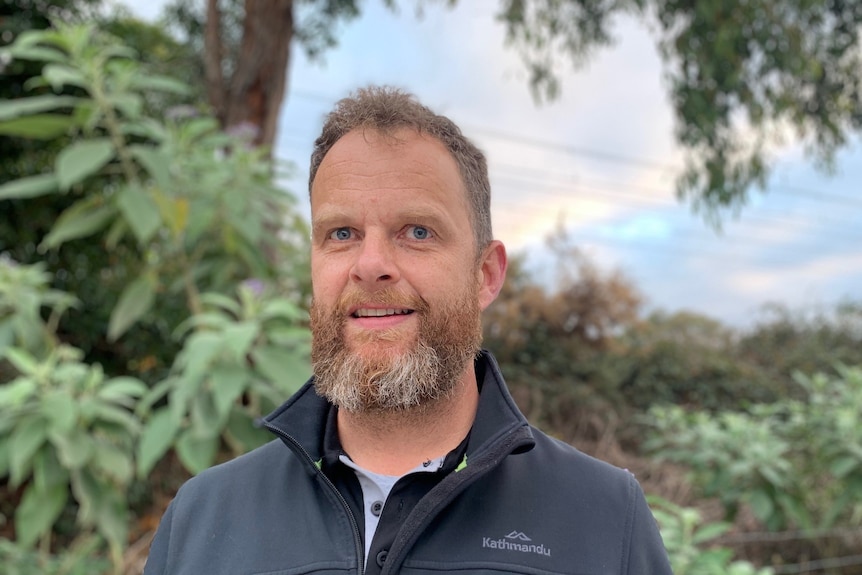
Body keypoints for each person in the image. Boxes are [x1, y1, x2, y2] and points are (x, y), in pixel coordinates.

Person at [143, 86, 673, 575]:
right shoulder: (201, 518)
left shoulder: (605, 518)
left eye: (417, 232)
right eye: (341, 233)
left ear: (485, 274)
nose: (370, 264)